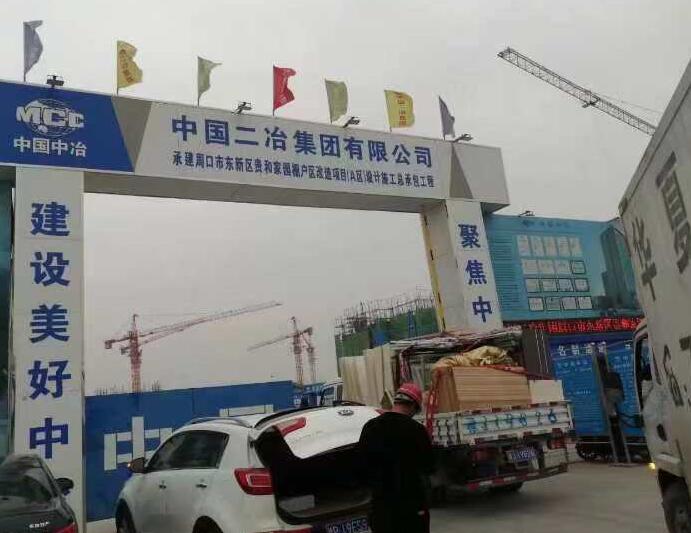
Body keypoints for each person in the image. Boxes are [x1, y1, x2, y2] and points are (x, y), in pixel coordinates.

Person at [358, 382, 434, 533]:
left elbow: (360, 467)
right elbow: (429, 466)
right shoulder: (417, 431)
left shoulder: (370, 427)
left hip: (381, 509)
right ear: (413, 406)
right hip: (412, 508)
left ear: (396, 402)